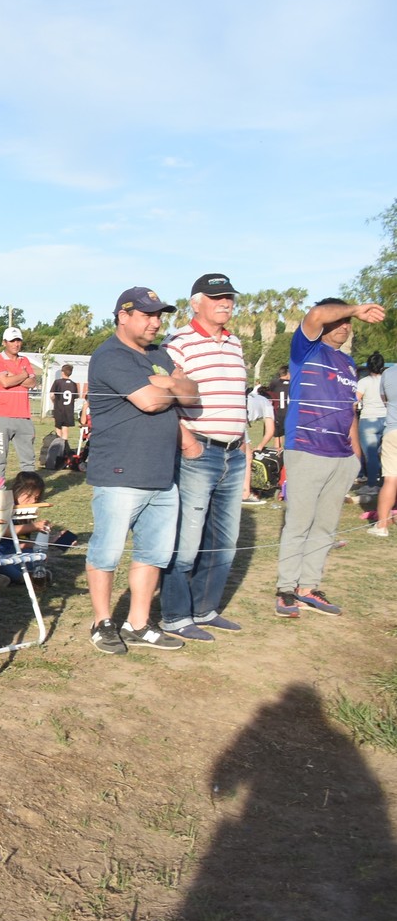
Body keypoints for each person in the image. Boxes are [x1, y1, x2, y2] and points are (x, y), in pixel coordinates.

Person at [84, 288, 199, 655]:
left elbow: (193, 394)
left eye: (159, 316)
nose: (156, 323)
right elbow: (149, 403)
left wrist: (167, 383)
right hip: (119, 472)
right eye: (148, 315)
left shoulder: (158, 354)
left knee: (153, 552)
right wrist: (170, 385)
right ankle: (102, 622)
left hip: (162, 472)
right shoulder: (110, 356)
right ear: (123, 315)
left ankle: (138, 623)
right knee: (106, 552)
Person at [274, 298, 387, 617]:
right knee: (298, 523)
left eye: (348, 323)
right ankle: (285, 590)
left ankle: (308, 587)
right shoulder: (305, 350)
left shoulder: (349, 363)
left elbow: (350, 410)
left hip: (340, 456)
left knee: (325, 526)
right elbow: (315, 314)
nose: (346, 326)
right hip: (306, 449)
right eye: (339, 321)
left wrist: (354, 455)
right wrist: (353, 309)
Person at [158, 273, 249, 641]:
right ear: (196, 303)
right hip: (199, 450)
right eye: (216, 297)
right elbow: (165, 396)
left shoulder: (236, 343)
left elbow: (237, 398)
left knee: (224, 540)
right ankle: (175, 616)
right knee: (188, 538)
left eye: (228, 297)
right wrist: (187, 441)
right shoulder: (178, 342)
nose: (225, 303)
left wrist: (243, 441)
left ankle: (205, 609)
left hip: (233, 452)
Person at [0, 327, 39, 488]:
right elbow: (5, 382)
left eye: (18, 340)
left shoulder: (25, 360)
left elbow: (32, 383)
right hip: (2, 416)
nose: (16, 344)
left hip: (23, 416)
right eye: (12, 341)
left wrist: (14, 377)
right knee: (0, 456)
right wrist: (23, 375)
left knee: (28, 459)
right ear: (4, 343)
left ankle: (28, 492)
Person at [371, 357, 397, 537]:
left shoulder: (388, 373)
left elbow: (385, 401)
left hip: (393, 429)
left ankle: (381, 525)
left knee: (390, 479)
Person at [241, 386, 277, 504]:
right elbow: (270, 430)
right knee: (247, 458)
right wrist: (260, 446)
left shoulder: (254, 397)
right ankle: (246, 493)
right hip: (239, 418)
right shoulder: (267, 403)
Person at [356, 353, 386, 487]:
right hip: (387, 419)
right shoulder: (388, 381)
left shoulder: (363, 382)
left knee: (371, 456)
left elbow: (355, 400)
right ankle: (387, 482)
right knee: (388, 454)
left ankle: (373, 484)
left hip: (368, 419)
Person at [265, 365, 290, 451]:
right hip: (289, 412)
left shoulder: (274, 383)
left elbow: (269, 393)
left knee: (278, 437)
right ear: (288, 373)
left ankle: (277, 453)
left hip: (277, 412)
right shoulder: (294, 383)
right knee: (289, 435)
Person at [49, 364, 78, 440]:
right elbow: (75, 398)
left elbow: (52, 395)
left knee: (58, 427)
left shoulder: (57, 382)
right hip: (69, 409)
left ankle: (59, 445)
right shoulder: (73, 384)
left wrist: (54, 402)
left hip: (59, 409)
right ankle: (64, 445)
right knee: (65, 429)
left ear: (62, 372)